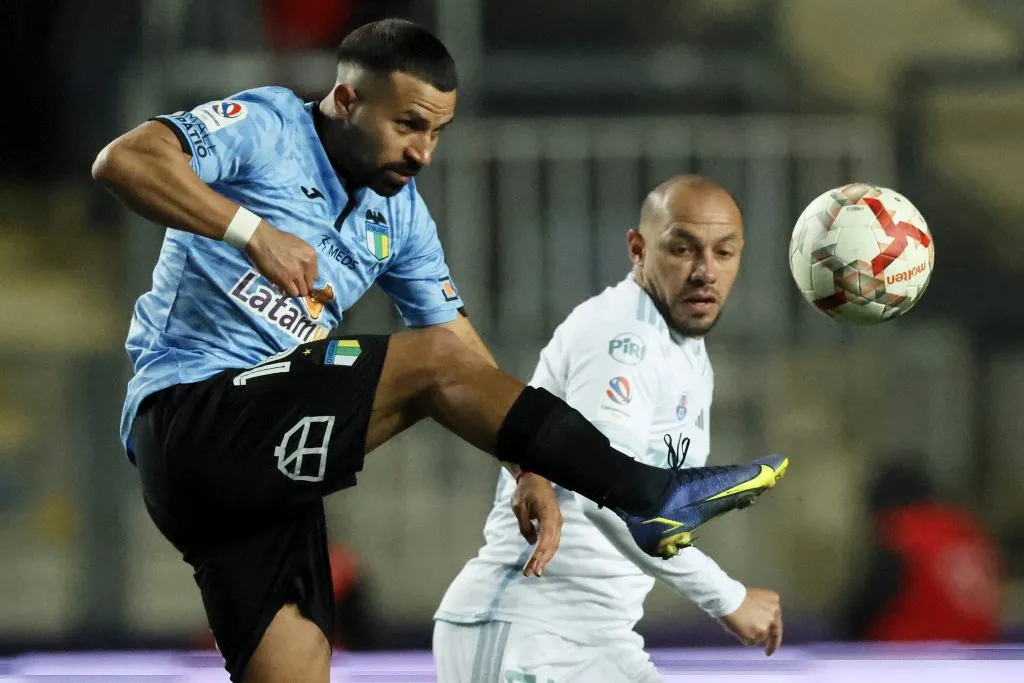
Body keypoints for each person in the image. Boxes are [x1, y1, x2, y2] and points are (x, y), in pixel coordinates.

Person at [91, 19, 788, 683]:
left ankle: (639, 491)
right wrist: (252, 231)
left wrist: (530, 468)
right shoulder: (268, 125)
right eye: (408, 125)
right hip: (191, 415)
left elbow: (462, 349)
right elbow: (123, 159)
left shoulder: (399, 213)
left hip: (270, 470)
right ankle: (648, 492)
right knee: (424, 359)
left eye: (438, 132)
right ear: (345, 99)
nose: (424, 151)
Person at [433, 176, 784, 682]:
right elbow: (606, 493)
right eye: (683, 249)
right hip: (530, 636)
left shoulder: (679, 342)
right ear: (638, 249)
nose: (705, 271)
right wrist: (726, 597)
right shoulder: (625, 337)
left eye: (724, 253)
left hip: (598, 640)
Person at [839, 459, 1002, 643]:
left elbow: (863, 609)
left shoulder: (904, 536)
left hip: (916, 658)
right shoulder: (967, 531)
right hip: (982, 656)